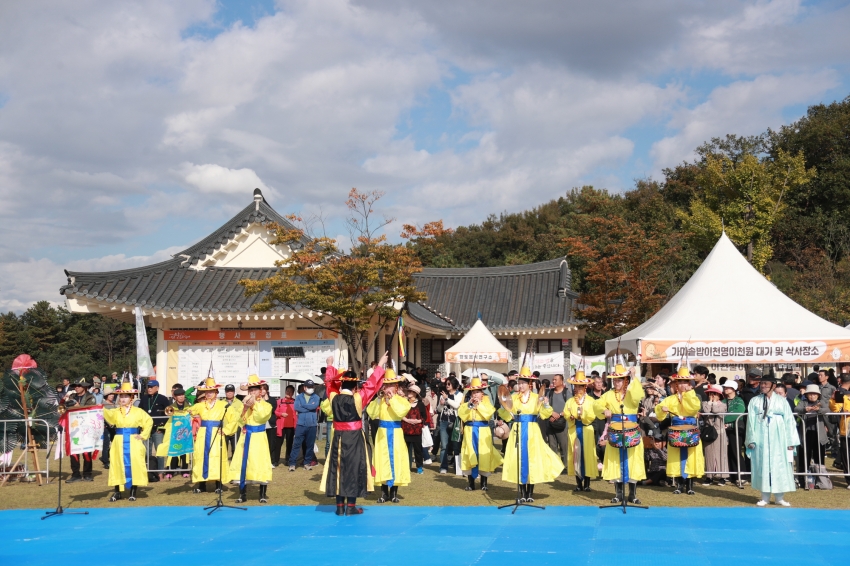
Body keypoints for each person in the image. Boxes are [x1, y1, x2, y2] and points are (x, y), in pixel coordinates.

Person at [321, 354, 386, 515]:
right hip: (355, 437)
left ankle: (339, 506)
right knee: (353, 469)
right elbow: (371, 385)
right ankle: (350, 506)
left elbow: (329, 385)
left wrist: (330, 366)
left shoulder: (334, 397)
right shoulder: (358, 398)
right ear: (356, 387)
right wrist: (380, 365)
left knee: (338, 469)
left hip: (339, 436)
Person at [497, 366, 564, 503]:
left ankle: (530, 492)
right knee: (519, 459)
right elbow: (507, 415)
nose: (520, 385)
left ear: (529, 384)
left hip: (532, 430)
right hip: (518, 429)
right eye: (519, 383)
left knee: (532, 459)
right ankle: (521, 492)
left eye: (523, 383)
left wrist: (545, 405)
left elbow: (545, 414)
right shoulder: (513, 398)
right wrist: (504, 407)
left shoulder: (536, 397)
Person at [593, 364, 646, 505]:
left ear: (625, 380)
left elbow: (638, 395)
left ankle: (632, 494)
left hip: (631, 430)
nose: (617, 383)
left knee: (633, 460)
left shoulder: (630, 392)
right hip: (615, 431)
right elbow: (596, 405)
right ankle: (618, 493)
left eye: (620, 380)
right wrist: (604, 410)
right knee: (615, 461)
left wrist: (634, 377)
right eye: (615, 380)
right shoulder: (609, 395)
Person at [745, 374, 800, 506]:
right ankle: (764, 496)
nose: (763, 386)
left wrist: (791, 441)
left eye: (766, 384)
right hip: (761, 436)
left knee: (779, 465)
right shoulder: (755, 401)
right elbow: (750, 421)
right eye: (761, 383)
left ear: (773, 386)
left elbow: (789, 421)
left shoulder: (782, 401)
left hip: (779, 437)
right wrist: (751, 439)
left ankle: (779, 497)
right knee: (762, 465)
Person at [655, 367, 705, 495]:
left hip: (690, 431)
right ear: (676, 385)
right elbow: (659, 409)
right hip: (676, 431)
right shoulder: (671, 399)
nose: (682, 385)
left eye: (685, 382)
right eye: (680, 383)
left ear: (689, 384)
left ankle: (690, 485)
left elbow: (693, 408)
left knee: (691, 458)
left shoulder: (693, 396)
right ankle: (679, 485)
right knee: (676, 457)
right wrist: (662, 409)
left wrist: (688, 394)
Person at [103, 379, 153, 502]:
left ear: (131, 397)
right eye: (121, 396)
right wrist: (98, 408)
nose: (123, 399)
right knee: (117, 464)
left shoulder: (138, 411)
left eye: (126, 396)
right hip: (119, 440)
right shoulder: (115, 411)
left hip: (133, 439)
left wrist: (143, 435)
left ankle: (133, 491)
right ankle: (117, 491)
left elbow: (149, 421)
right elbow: (106, 415)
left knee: (134, 464)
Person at [366, 367, 411, 503]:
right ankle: (384, 493)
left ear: (396, 387)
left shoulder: (401, 400)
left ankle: (394, 493)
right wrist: (379, 399)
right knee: (382, 461)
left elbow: (401, 412)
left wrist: (392, 400)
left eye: (391, 385)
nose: (388, 388)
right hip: (382, 434)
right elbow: (372, 413)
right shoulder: (380, 400)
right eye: (386, 385)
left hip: (396, 433)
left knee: (396, 460)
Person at [229, 373, 273, 503]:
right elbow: (240, 421)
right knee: (243, 463)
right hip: (246, 436)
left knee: (260, 462)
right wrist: (245, 408)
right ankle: (242, 494)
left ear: (261, 391)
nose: (252, 392)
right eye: (250, 390)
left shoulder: (266, 405)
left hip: (259, 437)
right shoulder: (245, 404)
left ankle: (262, 494)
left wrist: (254, 404)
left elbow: (261, 417)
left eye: (255, 390)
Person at [185, 377, 233, 494]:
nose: (209, 394)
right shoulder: (200, 405)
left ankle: (219, 484)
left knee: (217, 457)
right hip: (203, 433)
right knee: (201, 456)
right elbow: (189, 411)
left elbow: (233, 419)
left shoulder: (223, 405)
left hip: (216, 433)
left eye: (212, 391)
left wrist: (226, 430)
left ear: (216, 392)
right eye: (207, 391)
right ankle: (202, 484)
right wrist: (186, 413)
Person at [457, 377, 502, 491]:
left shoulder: (487, 403)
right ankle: (471, 483)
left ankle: (484, 483)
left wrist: (479, 405)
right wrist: (470, 405)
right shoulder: (466, 403)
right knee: (469, 454)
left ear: (482, 393)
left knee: (484, 456)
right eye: (473, 392)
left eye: (477, 392)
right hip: (469, 431)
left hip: (483, 431)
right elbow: (462, 414)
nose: (475, 394)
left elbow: (488, 414)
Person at [564, 370, 597, 491]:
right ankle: (578, 484)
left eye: (579, 386)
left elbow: (592, 415)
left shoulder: (591, 401)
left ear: (585, 387)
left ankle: (587, 484)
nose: (577, 389)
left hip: (587, 429)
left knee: (587, 455)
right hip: (574, 429)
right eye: (575, 386)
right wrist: (570, 417)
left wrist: (583, 416)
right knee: (576, 454)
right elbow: (566, 413)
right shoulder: (570, 401)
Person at [796, 383, 829, 489]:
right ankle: (803, 480)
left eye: (814, 394)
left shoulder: (821, 402)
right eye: (810, 394)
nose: (812, 396)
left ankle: (820, 480)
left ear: (818, 395)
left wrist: (818, 409)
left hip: (819, 434)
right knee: (804, 456)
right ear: (806, 395)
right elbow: (796, 410)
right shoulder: (803, 402)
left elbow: (827, 410)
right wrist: (805, 409)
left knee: (819, 457)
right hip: (805, 433)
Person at [63, 379, 97, 483]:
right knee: (74, 451)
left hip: (86, 427)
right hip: (74, 427)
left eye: (79, 386)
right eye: (75, 386)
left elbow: (91, 410)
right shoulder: (72, 397)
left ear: (84, 387)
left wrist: (79, 407)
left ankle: (87, 474)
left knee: (86, 451)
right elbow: (66, 409)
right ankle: (76, 474)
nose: (76, 387)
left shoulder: (90, 397)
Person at [156, 387, 192, 480]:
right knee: (173, 452)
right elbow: (167, 415)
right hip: (174, 432)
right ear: (175, 397)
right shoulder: (171, 407)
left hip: (185, 432)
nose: (181, 397)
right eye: (179, 395)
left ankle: (185, 470)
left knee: (185, 451)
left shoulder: (189, 406)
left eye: (182, 395)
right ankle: (170, 471)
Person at [138, 379, 171, 482]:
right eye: (148, 387)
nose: (149, 389)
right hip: (146, 430)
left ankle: (160, 474)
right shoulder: (143, 398)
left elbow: (169, 414)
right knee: (146, 452)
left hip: (158, 430)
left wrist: (161, 427)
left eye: (151, 387)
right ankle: (147, 473)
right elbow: (140, 412)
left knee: (160, 452)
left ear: (157, 388)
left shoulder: (163, 399)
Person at [288, 379, 320, 471]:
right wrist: (309, 407)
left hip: (312, 424)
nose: (311, 389)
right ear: (304, 387)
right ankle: (292, 463)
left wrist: (304, 406)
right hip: (301, 424)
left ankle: (307, 462)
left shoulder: (316, 397)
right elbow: (297, 407)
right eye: (309, 387)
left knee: (310, 445)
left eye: (312, 387)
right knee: (296, 444)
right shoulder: (298, 397)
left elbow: (314, 406)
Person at [701, 384, 729, 486]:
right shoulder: (705, 403)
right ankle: (709, 476)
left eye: (714, 394)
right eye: (710, 394)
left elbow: (716, 411)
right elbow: (707, 411)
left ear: (719, 395)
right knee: (709, 454)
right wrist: (710, 402)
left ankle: (723, 477)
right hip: (708, 431)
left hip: (720, 432)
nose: (711, 396)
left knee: (721, 453)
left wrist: (714, 403)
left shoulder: (723, 404)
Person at [544, 373, 571, 471]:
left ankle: (565, 466)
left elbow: (569, 407)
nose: (553, 381)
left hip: (562, 424)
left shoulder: (567, 393)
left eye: (556, 380)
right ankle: (554, 466)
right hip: (550, 423)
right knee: (552, 445)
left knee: (564, 446)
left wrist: (558, 415)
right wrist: (551, 413)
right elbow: (545, 406)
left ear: (561, 381)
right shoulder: (549, 393)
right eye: (553, 380)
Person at [722, 380, 746, 485]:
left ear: (733, 389)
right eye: (725, 387)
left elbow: (738, 412)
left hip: (735, 429)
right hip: (724, 430)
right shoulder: (723, 401)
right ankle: (732, 476)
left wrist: (723, 420)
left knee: (736, 452)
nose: (725, 389)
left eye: (728, 387)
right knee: (729, 452)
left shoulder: (739, 400)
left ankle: (742, 476)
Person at [437, 377, 463, 474]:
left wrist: (447, 399)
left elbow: (457, 406)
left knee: (456, 445)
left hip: (455, 422)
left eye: (449, 384)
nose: (447, 386)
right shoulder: (444, 394)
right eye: (446, 384)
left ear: (454, 385)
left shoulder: (459, 395)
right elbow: (439, 410)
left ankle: (457, 467)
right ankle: (443, 466)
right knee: (444, 446)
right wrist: (441, 404)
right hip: (444, 421)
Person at [828, 373, 850, 488]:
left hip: (845, 429)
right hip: (845, 430)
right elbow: (836, 409)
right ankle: (849, 480)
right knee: (846, 455)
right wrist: (832, 399)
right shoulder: (841, 394)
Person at [402, 385, 427, 474]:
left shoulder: (420, 404)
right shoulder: (404, 402)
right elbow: (400, 414)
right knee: (404, 450)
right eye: (409, 391)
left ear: (415, 394)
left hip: (416, 431)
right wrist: (407, 420)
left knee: (418, 450)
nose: (409, 393)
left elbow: (425, 417)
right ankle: (405, 467)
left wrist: (418, 421)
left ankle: (419, 467)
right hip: (405, 430)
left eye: (412, 392)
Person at [260, 383, 281, 467]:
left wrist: (265, 400)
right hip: (261, 424)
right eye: (260, 389)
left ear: (267, 390)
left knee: (271, 443)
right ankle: (262, 461)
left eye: (264, 389)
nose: (262, 391)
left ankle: (272, 461)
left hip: (271, 424)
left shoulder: (272, 400)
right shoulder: (257, 400)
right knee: (262, 444)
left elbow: (272, 409)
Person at [275, 384, 297, 465]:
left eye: (291, 391)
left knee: (289, 444)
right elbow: (275, 412)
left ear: (293, 393)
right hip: (281, 426)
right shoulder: (279, 401)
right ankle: (275, 460)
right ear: (285, 391)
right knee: (278, 444)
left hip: (291, 426)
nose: (289, 393)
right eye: (288, 391)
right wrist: (281, 414)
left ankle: (288, 459)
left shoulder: (295, 402)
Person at [223, 384, 242, 459]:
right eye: (227, 391)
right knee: (224, 447)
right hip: (224, 428)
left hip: (235, 428)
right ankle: (224, 462)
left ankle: (235, 462)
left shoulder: (239, 402)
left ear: (234, 392)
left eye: (231, 391)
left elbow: (241, 415)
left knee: (236, 447)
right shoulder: (221, 402)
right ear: (225, 392)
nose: (229, 393)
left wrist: (240, 426)